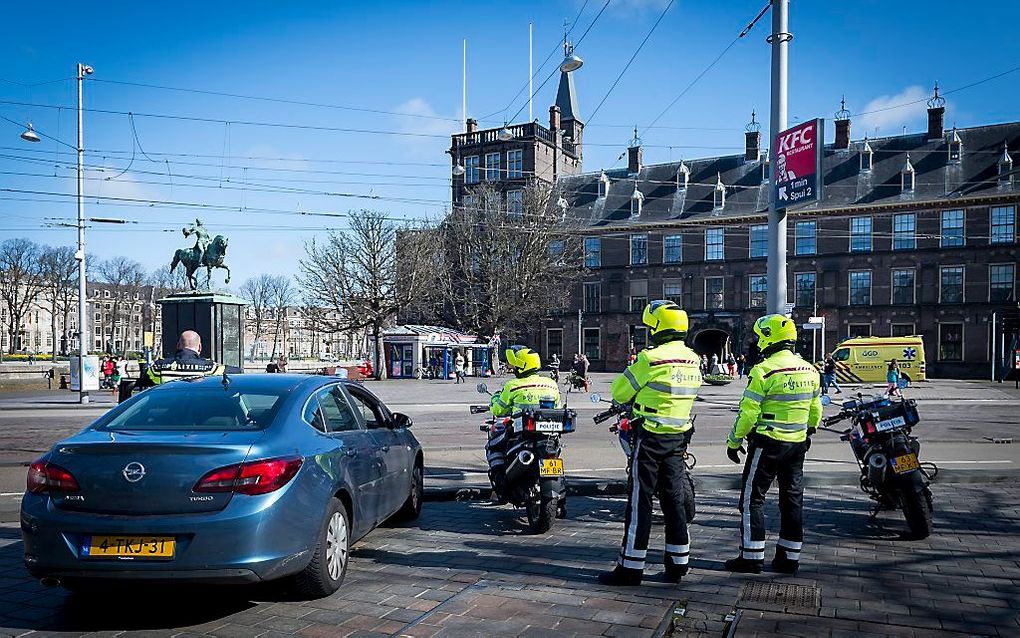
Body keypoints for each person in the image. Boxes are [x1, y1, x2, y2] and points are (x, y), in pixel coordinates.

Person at [599, 300, 702, 586]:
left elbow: (620, 392)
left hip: (650, 436)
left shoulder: (651, 359)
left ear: (657, 328)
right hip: (679, 437)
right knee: (674, 500)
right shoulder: (694, 359)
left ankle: (630, 568)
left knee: (639, 501)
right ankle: (678, 564)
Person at [724, 315, 822, 575]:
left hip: (767, 443)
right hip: (797, 444)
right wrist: (806, 431)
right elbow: (815, 410)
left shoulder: (763, 370)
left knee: (752, 499)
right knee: (792, 499)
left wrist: (733, 441)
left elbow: (748, 414)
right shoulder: (810, 370)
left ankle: (752, 556)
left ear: (768, 337)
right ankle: (789, 558)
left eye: (759, 337)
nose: (757, 342)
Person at [486, 346, 560, 500]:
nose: (512, 368)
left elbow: (499, 410)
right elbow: (558, 407)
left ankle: (500, 480)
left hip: (522, 432)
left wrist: (494, 399)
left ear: (522, 366)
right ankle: (561, 500)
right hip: (547, 433)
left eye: (514, 365)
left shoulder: (513, 385)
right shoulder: (551, 384)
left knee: (493, 446)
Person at [135, 330, 238, 389]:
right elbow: (238, 371)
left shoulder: (159, 367)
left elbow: (145, 377)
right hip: (199, 416)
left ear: (178, 345)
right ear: (200, 347)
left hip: (167, 416)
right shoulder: (209, 368)